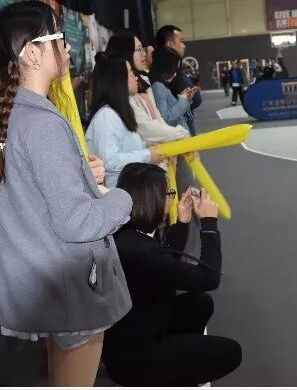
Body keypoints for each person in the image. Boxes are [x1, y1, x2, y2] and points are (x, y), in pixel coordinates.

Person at [0, 0, 133, 386]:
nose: (67, 47)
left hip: (48, 283)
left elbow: (32, 191)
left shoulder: (14, 114)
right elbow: (77, 221)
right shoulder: (41, 123)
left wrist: (79, 173)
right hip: (71, 288)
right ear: (32, 53)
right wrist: (125, 196)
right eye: (59, 39)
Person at [103, 163, 241, 386]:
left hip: (131, 331)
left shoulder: (125, 232)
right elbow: (209, 278)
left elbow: (164, 262)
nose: (171, 198)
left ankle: (177, 364)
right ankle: (167, 375)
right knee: (231, 352)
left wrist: (183, 221)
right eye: (168, 193)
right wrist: (209, 223)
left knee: (200, 303)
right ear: (153, 198)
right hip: (135, 359)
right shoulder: (141, 250)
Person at [87, 56, 168, 188]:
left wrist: (145, 146)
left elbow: (125, 148)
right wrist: (147, 155)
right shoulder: (106, 116)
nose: (136, 77)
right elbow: (109, 161)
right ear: (118, 80)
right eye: (130, 72)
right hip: (117, 193)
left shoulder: (117, 112)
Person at [110, 33, 188, 145]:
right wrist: (181, 134)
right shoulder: (123, 91)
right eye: (139, 50)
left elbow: (157, 118)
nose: (144, 54)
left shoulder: (144, 80)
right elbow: (146, 127)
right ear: (125, 52)